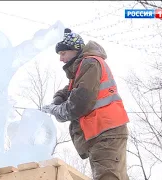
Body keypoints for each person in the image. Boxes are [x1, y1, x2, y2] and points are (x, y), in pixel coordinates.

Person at [41, 28, 129, 180]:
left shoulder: (89, 64)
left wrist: (55, 110)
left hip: (105, 132)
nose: (61, 59)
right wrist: (57, 98)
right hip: (103, 133)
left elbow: (78, 104)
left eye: (63, 53)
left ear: (75, 50)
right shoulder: (83, 69)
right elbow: (68, 91)